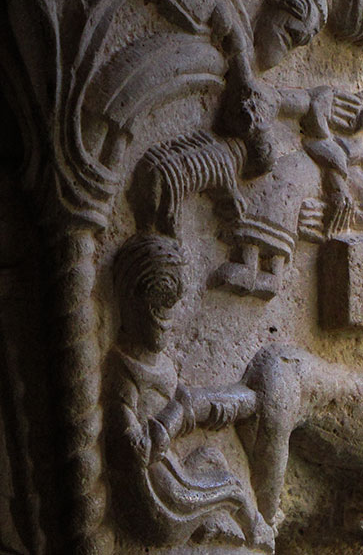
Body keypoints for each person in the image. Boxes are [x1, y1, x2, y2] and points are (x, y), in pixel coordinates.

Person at [106, 234, 273, 550]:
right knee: (234, 487)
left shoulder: (161, 362)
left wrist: (201, 408)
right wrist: (166, 424)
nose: (166, 323)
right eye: (158, 308)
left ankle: (208, 525)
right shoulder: (123, 369)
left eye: (172, 308)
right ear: (130, 301)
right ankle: (257, 532)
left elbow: (183, 403)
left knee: (210, 457)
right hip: (154, 499)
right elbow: (133, 446)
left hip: (169, 468)